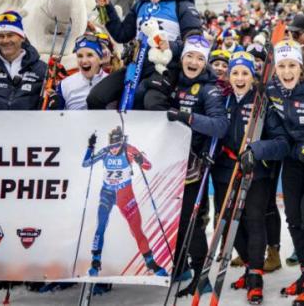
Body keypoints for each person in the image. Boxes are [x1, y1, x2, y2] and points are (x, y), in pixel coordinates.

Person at [146, 34, 229, 294]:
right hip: (169, 160)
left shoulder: (209, 88)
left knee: (190, 221)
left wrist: (187, 117)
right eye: (189, 57)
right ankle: (179, 265)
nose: (193, 62)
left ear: (205, 63)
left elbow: (220, 126)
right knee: (172, 219)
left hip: (194, 164)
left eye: (199, 59)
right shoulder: (173, 81)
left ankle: (200, 275)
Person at [256, 40, 304, 305]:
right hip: (292, 158)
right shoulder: (273, 88)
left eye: (292, 66)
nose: (287, 72)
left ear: (301, 67)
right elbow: (277, 130)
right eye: (281, 66)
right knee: (293, 217)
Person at [213, 51, 289, 305]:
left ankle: (255, 278)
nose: (240, 77)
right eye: (235, 72)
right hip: (225, 168)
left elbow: (281, 143)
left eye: (245, 72)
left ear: (252, 76)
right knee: (228, 222)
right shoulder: (221, 99)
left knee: (253, 220)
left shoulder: (262, 102)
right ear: (229, 75)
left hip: (255, 171)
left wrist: (256, 150)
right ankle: (248, 265)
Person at [86, 0, 201, 110]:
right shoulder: (140, 4)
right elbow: (122, 34)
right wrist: (106, 6)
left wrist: (171, 46)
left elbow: (195, 41)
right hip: (137, 65)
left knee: (151, 102)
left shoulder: (181, 4)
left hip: (165, 67)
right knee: (96, 97)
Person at [82, 127, 167, 278]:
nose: (114, 149)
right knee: (101, 225)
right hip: (107, 193)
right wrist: (90, 147)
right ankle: (95, 262)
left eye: (117, 146)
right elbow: (86, 164)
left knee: (136, 229)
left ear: (122, 142)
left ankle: (150, 262)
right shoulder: (105, 151)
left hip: (125, 195)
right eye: (112, 145)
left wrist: (141, 161)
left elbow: (148, 166)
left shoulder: (129, 150)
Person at [52, 34, 108, 110]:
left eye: (90, 55)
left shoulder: (113, 82)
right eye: (80, 56)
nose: (84, 61)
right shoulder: (64, 85)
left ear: (100, 59)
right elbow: (55, 118)